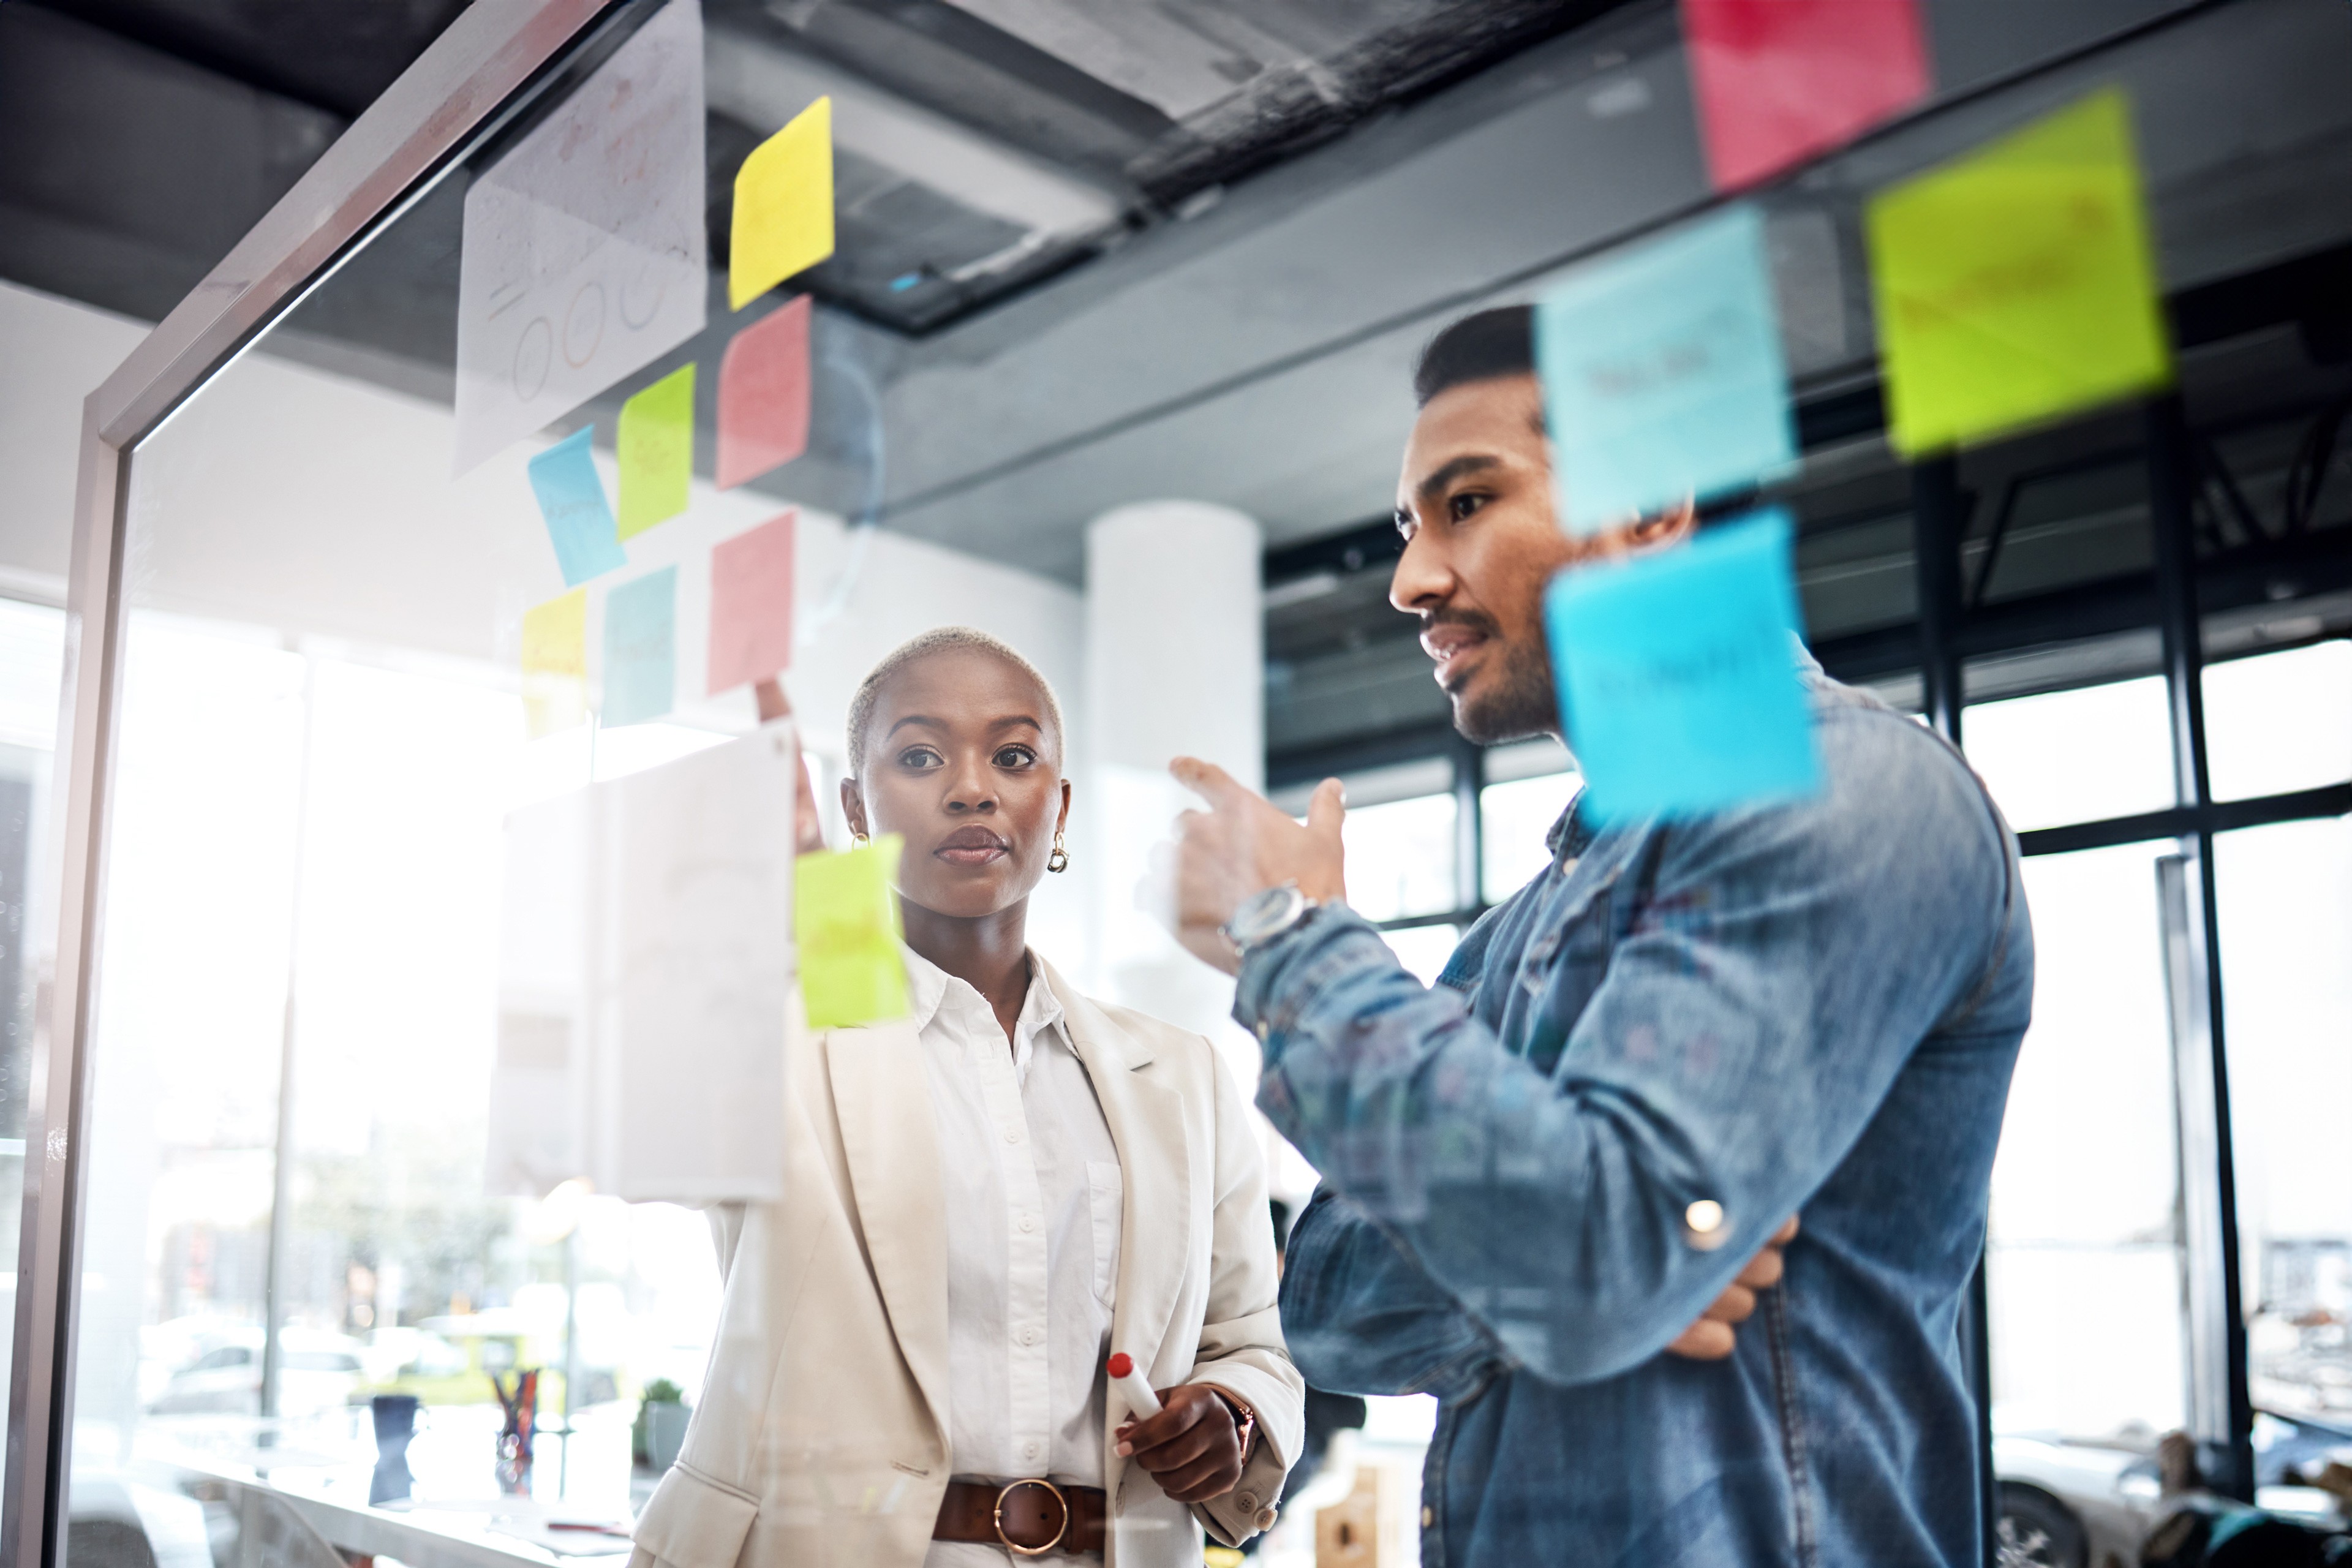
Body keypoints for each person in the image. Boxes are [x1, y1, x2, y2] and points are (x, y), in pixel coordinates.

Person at [1159, 306, 2035, 1567]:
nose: (1410, 581)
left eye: (1465, 503)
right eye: (1410, 528)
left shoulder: (1845, 790)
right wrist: (1569, 1258)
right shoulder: (1520, 928)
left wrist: (1288, 932)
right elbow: (1331, 1300)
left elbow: (1598, 1253)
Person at [628, 628, 1302, 1568]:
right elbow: (628, 1135)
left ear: (1057, 809)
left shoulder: (1183, 1075)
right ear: (856, 808)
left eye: (1015, 756)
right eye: (919, 756)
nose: (973, 788)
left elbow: (1254, 1344)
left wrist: (1231, 1411)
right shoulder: (775, 1036)